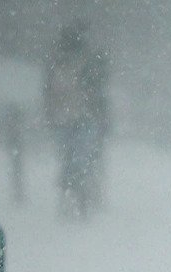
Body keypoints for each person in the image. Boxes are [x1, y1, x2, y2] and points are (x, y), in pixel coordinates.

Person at [43, 21, 109, 219]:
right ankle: (79, 197)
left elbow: (49, 91)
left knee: (70, 160)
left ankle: (72, 197)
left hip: (66, 117)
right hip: (80, 117)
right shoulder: (87, 63)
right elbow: (96, 91)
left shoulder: (58, 63)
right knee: (80, 160)